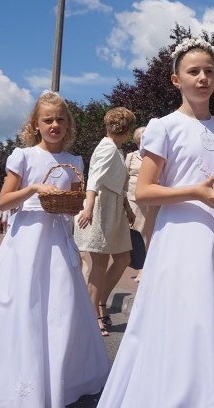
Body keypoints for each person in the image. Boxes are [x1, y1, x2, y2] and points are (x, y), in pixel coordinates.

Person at [97, 37, 214, 407]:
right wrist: (196, 192)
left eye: (209, 71)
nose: (202, 77)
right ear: (177, 80)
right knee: (181, 317)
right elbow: (144, 191)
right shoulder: (163, 126)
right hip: (178, 237)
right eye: (194, 71)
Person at [0, 91, 109, 407]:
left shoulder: (73, 161)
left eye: (60, 119)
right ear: (36, 124)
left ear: (68, 123)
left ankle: (62, 375)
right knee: (23, 303)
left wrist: (81, 203)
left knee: (61, 304)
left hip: (58, 238)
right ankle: (18, 375)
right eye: (47, 120)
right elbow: (4, 201)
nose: (54, 125)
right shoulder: (23, 156)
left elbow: (71, 206)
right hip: (27, 238)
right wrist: (33, 188)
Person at [75, 106, 137, 337]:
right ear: (128, 129)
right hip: (101, 208)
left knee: (123, 258)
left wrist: (127, 208)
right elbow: (94, 179)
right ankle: (93, 316)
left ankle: (100, 301)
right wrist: (89, 207)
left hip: (115, 208)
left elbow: (119, 185)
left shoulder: (116, 149)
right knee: (98, 265)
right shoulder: (107, 148)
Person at [124, 126, 159, 283]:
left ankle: (152, 266)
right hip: (134, 200)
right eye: (142, 136)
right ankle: (141, 269)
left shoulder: (154, 156)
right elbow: (124, 178)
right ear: (137, 140)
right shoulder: (131, 157)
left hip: (152, 199)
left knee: (150, 233)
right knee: (137, 234)